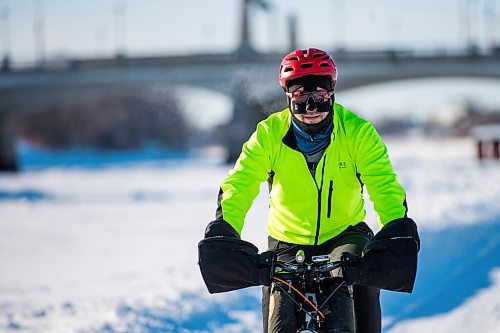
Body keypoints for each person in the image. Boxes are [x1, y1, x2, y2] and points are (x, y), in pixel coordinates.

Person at [201, 48, 419, 333]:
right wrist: (224, 228)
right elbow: (239, 185)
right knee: (277, 319)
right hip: (286, 241)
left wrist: (394, 228)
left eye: (320, 98)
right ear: (288, 98)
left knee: (358, 281)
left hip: (345, 234)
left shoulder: (358, 133)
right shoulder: (268, 135)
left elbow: (385, 188)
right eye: (301, 99)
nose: (312, 108)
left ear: (332, 92)